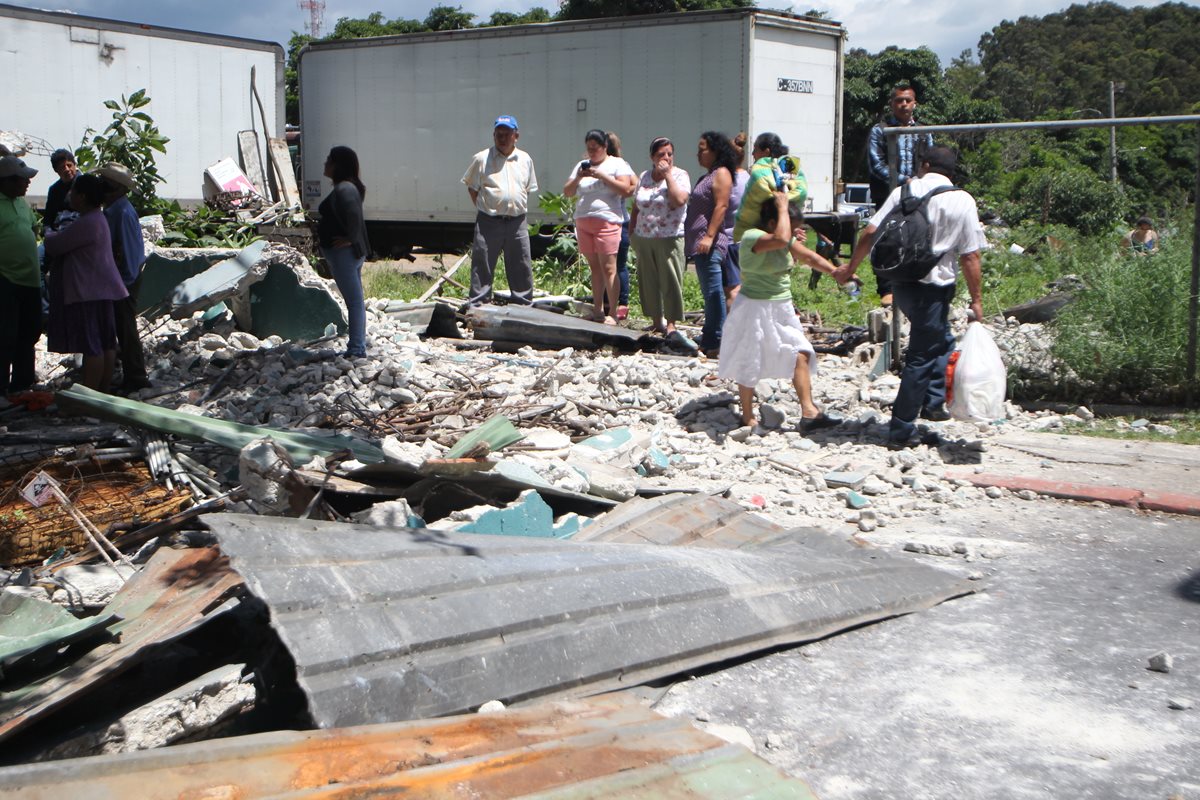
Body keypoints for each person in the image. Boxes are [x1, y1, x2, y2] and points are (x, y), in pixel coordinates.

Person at [837, 147, 985, 449]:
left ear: (925, 165)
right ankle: (901, 429)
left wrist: (850, 268)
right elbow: (970, 256)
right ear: (951, 172)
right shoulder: (962, 199)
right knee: (921, 353)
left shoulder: (906, 188)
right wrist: (977, 300)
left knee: (940, 339)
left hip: (902, 282)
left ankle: (932, 403)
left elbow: (869, 232)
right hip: (934, 286)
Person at [719, 191, 841, 432]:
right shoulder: (754, 237)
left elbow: (809, 257)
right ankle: (747, 416)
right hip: (754, 307)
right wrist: (783, 206)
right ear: (773, 222)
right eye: (791, 226)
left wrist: (836, 272)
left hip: (781, 306)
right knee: (749, 359)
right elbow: (783, 237)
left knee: (801, 352)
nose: (795, 233)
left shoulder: (784, 238)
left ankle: (809, 412)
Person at [43, 173, 129, 392]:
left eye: (73, 192)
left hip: (87, 290)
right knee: (106, 343)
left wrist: (48, 233)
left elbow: (56, 245)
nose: (70, 195)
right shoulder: (98, 218)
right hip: (103, 288)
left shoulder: (87, 221)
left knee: (93, 346)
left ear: (81, 197)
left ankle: (89, 396)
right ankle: (102, 391)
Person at [867, 84, 935, 306]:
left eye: (907, 100)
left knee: (919, 236)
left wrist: (921, 182)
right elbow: (876, 165)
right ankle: (886, 288)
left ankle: (917, 281)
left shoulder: (924, 130)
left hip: (918, 194)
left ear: (915, 104)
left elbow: (930, 161)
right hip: (888, 194)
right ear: (892, 104)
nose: (903, 104)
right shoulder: (880, 130)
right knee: (885, 238)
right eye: (899, 100)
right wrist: (904, 180)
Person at [462, 114, 538, 307]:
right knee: (483, 264)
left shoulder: (525, 159)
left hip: (517, 220)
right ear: (493, 135)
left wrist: (511, 206)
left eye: (507, 134)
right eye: (499, 134)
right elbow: (472, 188)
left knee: (521, 263)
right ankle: (479, 306)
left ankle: (523, 306)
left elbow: (527, 189)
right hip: (489, 221)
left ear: (516, 136)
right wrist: (488, 208)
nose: (502, 138)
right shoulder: (481, 158)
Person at [564, 129, 636, 324]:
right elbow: (568, 191)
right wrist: (579, 177)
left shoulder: (616, 164)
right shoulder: (581, 165)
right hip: (584, 219)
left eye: (595, 149)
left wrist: (602, 176)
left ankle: (612, 312)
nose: (592, 153)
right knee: (594, 268)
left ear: (605, 147)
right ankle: (597, 310)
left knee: (609, 267)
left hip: (608, 219)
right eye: (589, 149)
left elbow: (626, 189)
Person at [629, 136, 693, 350]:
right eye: (661, 154)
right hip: (644, 237)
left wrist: (667, 176)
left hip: (669, 236)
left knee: (670, 280)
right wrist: (632, 231)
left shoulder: (680, 175)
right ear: (652, 157)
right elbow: (637, 205)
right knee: (648, 280)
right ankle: (656, 320)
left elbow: (679, 200)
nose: (666, 158)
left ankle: (672, 323)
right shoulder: (645, 176)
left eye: (669, 154)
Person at [97, 162, 151, 392]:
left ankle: (136, 377)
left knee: (126, 330)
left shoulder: (122, 213)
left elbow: (129, 253)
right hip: (119, 279)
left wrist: (123, 284)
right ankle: (130, 374)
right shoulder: (114, 210)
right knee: (121, 328)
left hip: (124, 280)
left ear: (117, 189)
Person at [685, 131, 738, 356]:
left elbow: (721, 206)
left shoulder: (722, 174)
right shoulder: (708, 175)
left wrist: (708, 236)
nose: (698, 153)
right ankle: (711, 337)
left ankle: (716, 341)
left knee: (714, 293)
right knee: (710, 292)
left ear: (715, 151)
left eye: (702, 149)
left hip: (711, 244)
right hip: (700, 244)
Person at [318, 146, 371, 358]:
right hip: (345, 255)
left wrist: (351, 239)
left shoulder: (345, 188)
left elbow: (355, 218)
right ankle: (357, 347)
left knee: (355, 302)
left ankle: (357, 349)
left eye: (329, 159)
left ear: (338, 164)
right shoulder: (346, 187)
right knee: (355, 301)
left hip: (344, 255)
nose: (325, 163)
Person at [0, 155, 43, 397]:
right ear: (6, 181)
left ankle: (23, 384)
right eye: (22, 179)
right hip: (5, 278)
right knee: (5, 334)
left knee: (29, 333)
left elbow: (33, 229)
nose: (27, 183)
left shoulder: (22, 204)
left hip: (30, 280)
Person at [722, 131, 752, 307]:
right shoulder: (749, 178)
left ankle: (732, 329)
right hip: (747, 239)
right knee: (745, 287)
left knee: (732, 289)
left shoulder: (729, 180)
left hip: (729, 238)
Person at [605, 131, 631, 321]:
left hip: (618, 219)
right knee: (612, 265)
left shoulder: (619, 166)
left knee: (617, 264)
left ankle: (620, 303)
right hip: (611, 219)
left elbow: (632, 187)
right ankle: (613, 303)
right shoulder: (622, 164)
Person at [42, 148, 79, 232]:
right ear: (56, 170)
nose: (67, 169)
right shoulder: (54, 190)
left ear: (74, 165)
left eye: (69, 165)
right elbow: (48, 220)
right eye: (62, 167)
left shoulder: (85, 183)